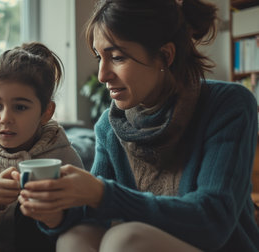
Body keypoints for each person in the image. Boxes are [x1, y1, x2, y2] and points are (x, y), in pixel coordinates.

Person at [17, 0, 259, 251]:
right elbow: (93, 213)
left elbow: (212, 220)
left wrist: (102, 193)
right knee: (75, 237)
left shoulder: (228, 105)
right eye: (100, 57)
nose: (102, 75)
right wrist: (54, 213)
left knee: (124, 240)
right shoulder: (109, 126)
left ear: (165, 56)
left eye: (117, 57)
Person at [0, 42, 84, 252]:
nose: (5, 118)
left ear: (46, 112)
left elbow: (83, 221)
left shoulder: (64, 156)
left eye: (20, 107)